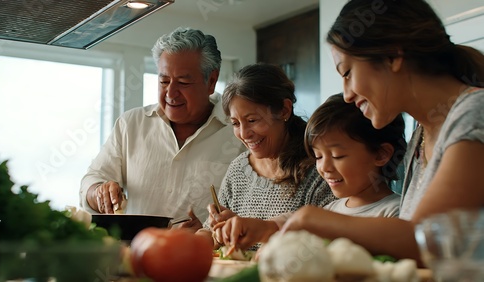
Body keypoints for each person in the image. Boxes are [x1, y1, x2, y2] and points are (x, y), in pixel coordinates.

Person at [281, 0, 484, 265]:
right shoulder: (421, 136)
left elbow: (429, 243)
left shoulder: (475, 113)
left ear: (392, 56)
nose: (348, 94)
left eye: (348, 73)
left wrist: (311, 219)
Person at [79, 27, 246, 230]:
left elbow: (251, 213)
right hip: (134, 256)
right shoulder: (131, 124)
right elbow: (92, 180)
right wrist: (98, 192)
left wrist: (209, 232)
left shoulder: (240, 133)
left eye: (183, 82)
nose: (171, 93)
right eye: (164, 81)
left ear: (211, 81)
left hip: (207, 258)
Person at [213, 93, 406, 250]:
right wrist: (261, 228)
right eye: (319, 157)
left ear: (381, 154)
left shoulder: (396, 213)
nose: (324, 168)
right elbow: (293, 223)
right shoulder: (331, 209)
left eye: (338, 156)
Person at [195, 63, 336, 250]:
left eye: (252, 120)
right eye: (236, 123)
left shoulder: (319, 168)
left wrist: (253, 231)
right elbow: (211, 233)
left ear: (284, 110)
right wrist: (216, 232)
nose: (244, 134)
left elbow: (329, 242)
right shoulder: (238, 169)